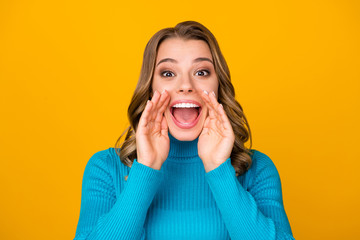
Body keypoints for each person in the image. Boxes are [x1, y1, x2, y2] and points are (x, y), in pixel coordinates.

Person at [73, 21, 294, 240]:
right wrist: (146, 168)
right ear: (150, 88)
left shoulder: (257, 170)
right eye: (168, 73)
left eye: (201, 72)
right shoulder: (105, 169)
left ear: (218, 86)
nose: (186, 85)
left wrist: (218, 169)